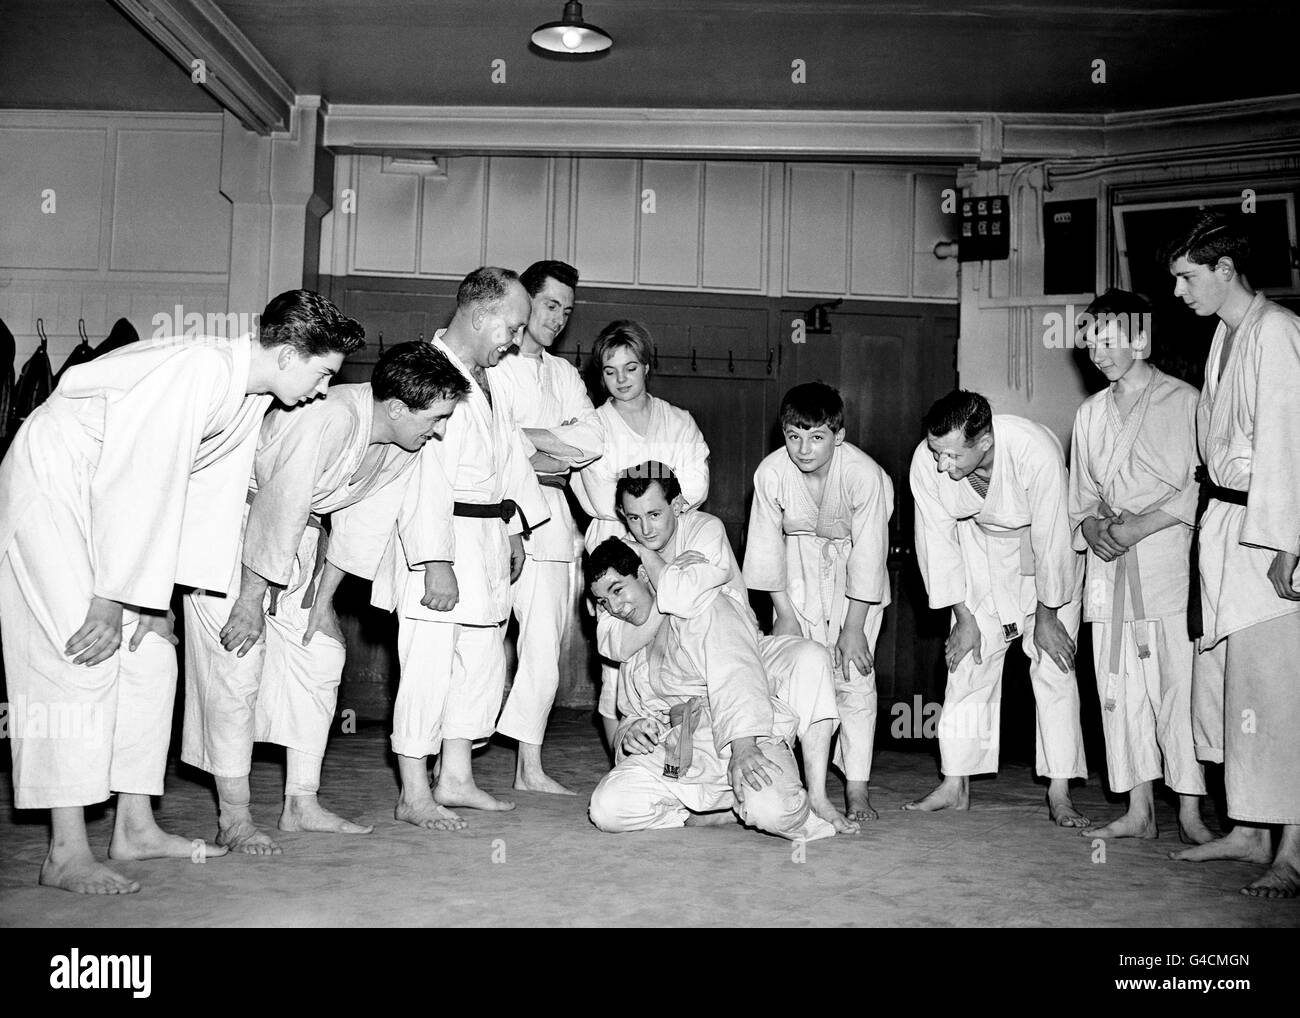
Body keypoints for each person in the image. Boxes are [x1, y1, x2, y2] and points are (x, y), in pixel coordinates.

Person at [0, 289, 363, 894]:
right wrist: (117, 596)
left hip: (108, 508)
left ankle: (135, 828)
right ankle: (65, 851)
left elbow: (200, 509)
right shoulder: (203, 369)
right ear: (290, 352)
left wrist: (156, 603)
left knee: (151, 658)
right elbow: (139, 477)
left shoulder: (250, 395)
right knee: (81, 654)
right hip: (56, 482)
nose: (324, 389)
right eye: (323, 373)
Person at [181, 342, 469, 854]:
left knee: (321, 652)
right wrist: (249, 600)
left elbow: (361, 527)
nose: (441, 429)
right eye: (438, 417)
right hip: (235, 534)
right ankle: (235, 818)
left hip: (299, 542)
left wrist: (322, 602)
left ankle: (301, 804)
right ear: (399, 408)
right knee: (237, 664)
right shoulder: (331, 417)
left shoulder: (403, 444)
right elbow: (280, 501)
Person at [369, 267, 550, 831]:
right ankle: (414, 790)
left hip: (487, 536)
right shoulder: (428, 372)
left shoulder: (487, 376)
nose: (517, 340)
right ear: (480, 316)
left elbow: (509, 458)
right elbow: (421, 476)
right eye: (513, 328)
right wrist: (435, 561)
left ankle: (456, 776)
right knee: (427, 666)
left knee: (481, 663)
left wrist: (516, 525)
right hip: (440, 542)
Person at [1162, 212, 1300, 898]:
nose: (1180, 292)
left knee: (1277, 695)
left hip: (1268, 533)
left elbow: (1290, 442)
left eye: (1187, 278)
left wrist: (1289, 540)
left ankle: (1294, 849)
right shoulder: (1225, 334)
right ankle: (1249, 829)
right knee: (1228, 687)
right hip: (1225, 525)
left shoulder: (1279, 331)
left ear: (1224, 270)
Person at [605, 462, 858, 833]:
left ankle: (816, 793)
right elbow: (612, 638)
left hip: (742, 655)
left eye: (655, 514)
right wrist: (672, 572)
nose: (644, 529)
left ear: (678, 505)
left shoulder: (705, 528)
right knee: (612, 807)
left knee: (811, 657)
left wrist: (648, 561)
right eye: (633, 518)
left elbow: (690, 601)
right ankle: (707, 808)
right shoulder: (619, 552)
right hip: (677, 682)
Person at [905, 390, 1089, 825]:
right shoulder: (926, 460)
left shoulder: (1034, 451)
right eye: (936, 451)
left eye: (951, 455)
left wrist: (1047, 616)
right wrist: (963, 618)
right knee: (966, 660)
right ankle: (956, 782)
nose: (940, 464)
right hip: (978, 556)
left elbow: (1052, 539)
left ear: (984, 441)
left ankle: (1060, 790)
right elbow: (935, 541)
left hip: (1043, 563)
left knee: (1054, 664)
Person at [1068, 290, 1211, 843]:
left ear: (1141, 339)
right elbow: (1078, 497)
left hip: (1163, 560)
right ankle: (1138, 807)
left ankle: (1193, 812)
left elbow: (1201, 488)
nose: (1098, 353)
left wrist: (1139, 527)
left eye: (1109, 340)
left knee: (1176, 687)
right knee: (1117, 690)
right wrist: (1093, 530)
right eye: (1091, 342)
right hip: (1108, 568)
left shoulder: (1186, 402)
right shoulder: (1089, 413)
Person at [586, 538, 839, 842]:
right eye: (603, 602)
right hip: (675, 752)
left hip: (734, 736)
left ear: (643, 575)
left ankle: (738, 802)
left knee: (775, 811)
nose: (614, 607)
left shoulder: (704, 603)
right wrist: (632, 731)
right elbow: (631, 711)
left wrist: (744, 747)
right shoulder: (630, 639)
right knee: (607, 809)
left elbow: (738, 672)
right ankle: (713, 810)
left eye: (617, 590)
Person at [743, 382, 893, 822]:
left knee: (853, 677)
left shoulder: (864, 475)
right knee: (800, 678)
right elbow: (766, 551)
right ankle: (805, 784)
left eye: (816, 437)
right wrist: (785, 615)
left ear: (839, 435)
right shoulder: (771, 473)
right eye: (793, 436)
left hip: (854, 578)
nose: (803, 448)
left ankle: (858, 788)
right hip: (795, 574)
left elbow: (869, 555)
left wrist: (852, 629)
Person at [561, 321, 710, 750]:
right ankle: (623, 767)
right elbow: (603, 493)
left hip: (672, 544)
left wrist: (646, 496)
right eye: (610, 371)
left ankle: (677, 763)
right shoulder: (595, 425)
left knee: (678, 652)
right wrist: (661, 489)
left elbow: (696, 485)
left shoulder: (679, 421)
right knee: (618, 657)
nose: (621, 380)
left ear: (647, 366)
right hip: (615, 548)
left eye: (630, 367)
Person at [487, 260, 592, 795]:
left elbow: (589, 444)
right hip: (493, 520)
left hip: (551, 527)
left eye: (567, 311)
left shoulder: (565, 374)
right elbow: (489, 448)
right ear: (525, 303)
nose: (558, 319)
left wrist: (523, 441)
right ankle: (446, 761)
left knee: (543, 652)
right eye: (551, 305)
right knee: (480, 645)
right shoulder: (491, 366)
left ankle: (529, 767)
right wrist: (544, 449)